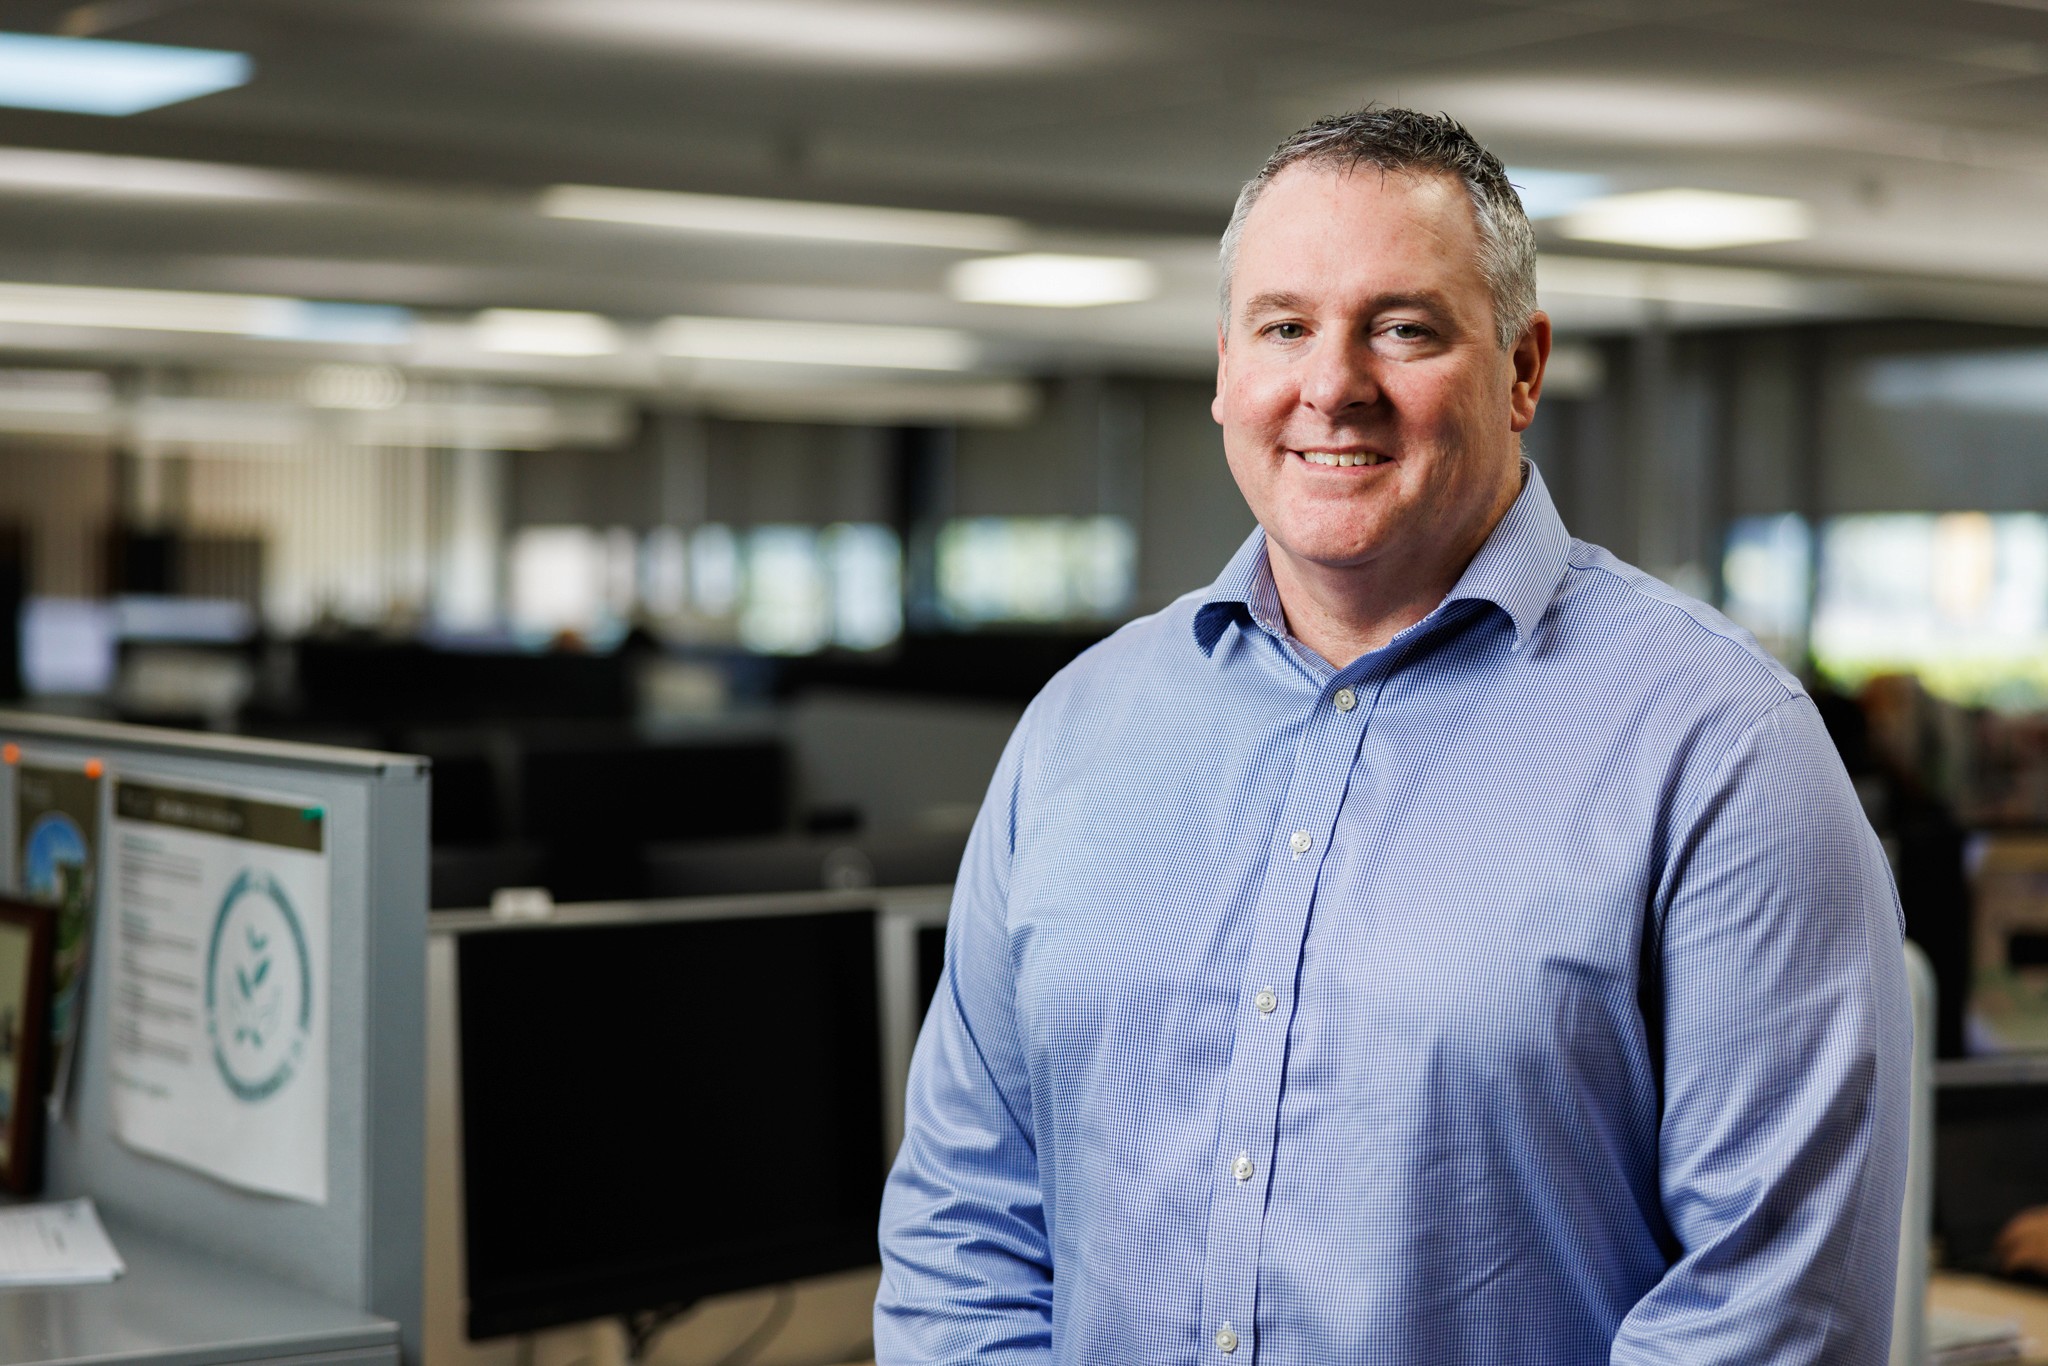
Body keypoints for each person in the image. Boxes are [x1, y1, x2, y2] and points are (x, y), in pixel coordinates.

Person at [876, 106, 1911, 1364]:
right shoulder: (1075, 731)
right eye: (1283, 327)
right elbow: (961, 1233)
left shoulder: (1720, 747)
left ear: (1521, 369)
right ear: (1223, 368)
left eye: (1403, 328)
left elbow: (1768, 1311)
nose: (1330, 386)